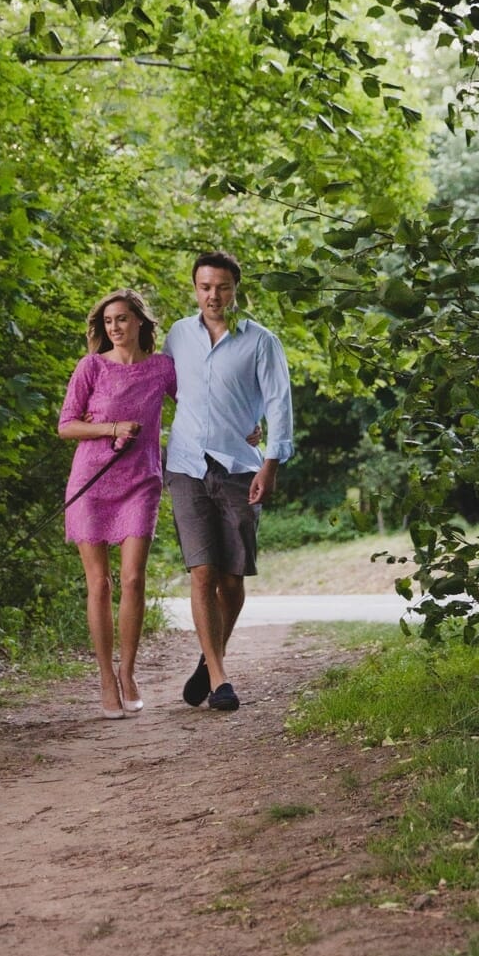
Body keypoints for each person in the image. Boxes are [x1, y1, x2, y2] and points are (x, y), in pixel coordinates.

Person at [164, 251, 294, 712]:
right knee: (202, 572)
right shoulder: (177, 335)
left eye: (221, 286)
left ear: (236, 289)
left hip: (241, 467)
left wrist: (271, 461)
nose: (213, 295)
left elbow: (279, 404)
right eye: (204, 287)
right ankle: (221, 679)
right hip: (186, 466)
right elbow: (163, 387)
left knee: (231, 579)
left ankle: (208, 660)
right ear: (195, 288)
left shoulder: (261, 342)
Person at [58, 289, 177, 718]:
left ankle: (128, 671)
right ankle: (105, 678)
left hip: (142, 481)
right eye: (108, 321)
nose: (115, 327)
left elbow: (201, 407)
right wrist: (110, 428)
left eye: (123, 319)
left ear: (140, 322)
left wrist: (244, 430)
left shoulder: (163, 367)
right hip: (91, 481)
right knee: (99, 584)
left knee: (132, 579)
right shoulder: (90, 367)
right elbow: (66, 426)